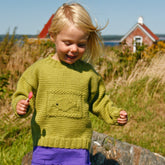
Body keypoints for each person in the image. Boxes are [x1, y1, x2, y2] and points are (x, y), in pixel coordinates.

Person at [12, 2, 128, 165]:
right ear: (53, 36)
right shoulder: (39, 70)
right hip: (44, 147)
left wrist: (115, 114)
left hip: (78, 149)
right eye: (67, 43)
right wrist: (20, 105)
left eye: (81, 45)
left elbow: (100, 101)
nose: (74, 49)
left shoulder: (88, 74)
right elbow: (22, 93)